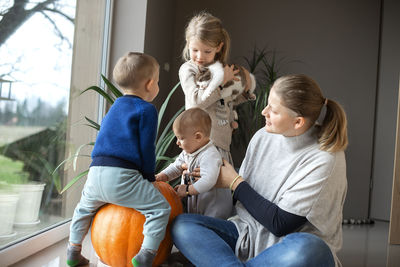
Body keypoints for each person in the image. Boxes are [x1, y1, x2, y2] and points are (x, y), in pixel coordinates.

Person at [172, 74, 348, 267]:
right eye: (267, 104)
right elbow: (244, 198)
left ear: (297, 122)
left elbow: (281, 223)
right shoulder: (263, 136)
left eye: (273, 110)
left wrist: (234, 182)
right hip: (247, 235)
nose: (264, 112)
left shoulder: (325, 158)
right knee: (183, 225)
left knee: (310, 248)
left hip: (292, 246)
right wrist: (212, 178)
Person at [67, 52, 171, 267]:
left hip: (95, 173)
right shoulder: (147, 110)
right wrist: (149, 177)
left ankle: (73, 251)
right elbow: (146, 148)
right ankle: (145, 256)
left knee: (83, 209)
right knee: (160, 209)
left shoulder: (113, 109)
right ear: (150, 84)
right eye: (158, 81)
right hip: (122, 176)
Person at [179, 11, 256, 164]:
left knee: (221, 186)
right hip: (199, 144)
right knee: (200, 185)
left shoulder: (221, 70)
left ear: (219, 47)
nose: (200, 56)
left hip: (222, 143)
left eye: (207, 51)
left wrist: (245, 93)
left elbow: (225, 100)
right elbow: (196, 103)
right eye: (195, 50)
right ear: (188, 44)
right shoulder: (189, 70)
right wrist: (220, 84)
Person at [156, 107, 233, 219]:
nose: (177, 143)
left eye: (180, 138)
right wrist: (162, 176)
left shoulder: (210, 155)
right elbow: (176, 166)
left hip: (214, 210)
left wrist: (187, 190)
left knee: (205, 225)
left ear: (198, 137)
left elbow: (208, 181)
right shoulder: (188, 152)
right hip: (198, 205)